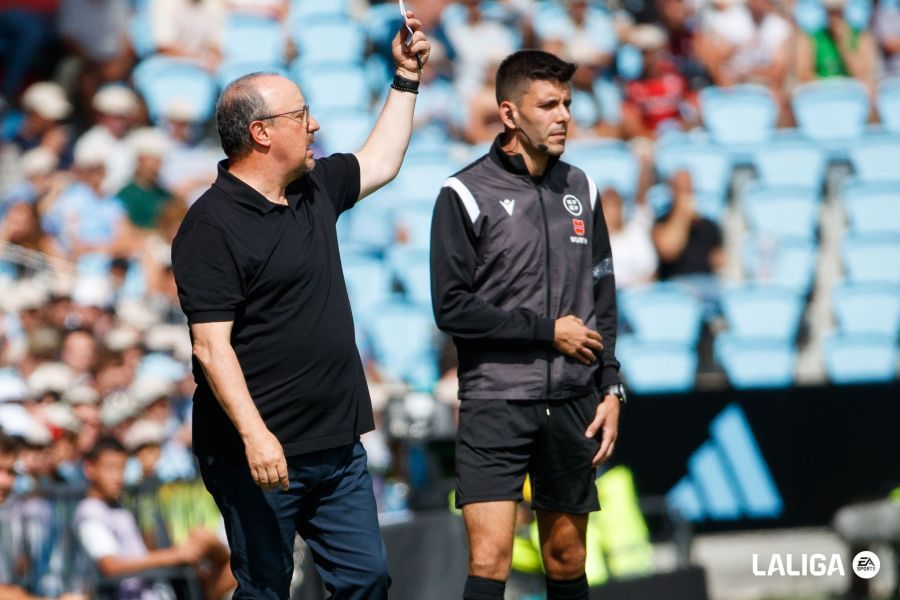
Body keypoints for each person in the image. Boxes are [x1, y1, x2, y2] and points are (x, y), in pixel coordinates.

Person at [170, 12, 431, 599]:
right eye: (300, 115)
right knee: (265, 589)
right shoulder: (210, 225)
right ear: (261, 132)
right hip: (258, 452)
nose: (315, 125)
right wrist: (257, 437)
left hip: (337, 443)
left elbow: (382, 160)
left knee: (367, 578)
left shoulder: (312, 187)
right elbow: (211, 348)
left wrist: (406, 78)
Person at [430, 49, 625, 600]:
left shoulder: (582, 187)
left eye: (567, 103)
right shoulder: (463, 193)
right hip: (495, 403)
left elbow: (602, 293)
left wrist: (610, 384)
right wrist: (547, 331)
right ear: (510, 114)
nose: (563, 115)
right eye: (548, 105)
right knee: (489, 559)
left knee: (567, 558)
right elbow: (452, 308)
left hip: (572, 402)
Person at [73, 437, 235, 600]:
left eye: (122, 469)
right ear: (90, 468)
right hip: (133, 595)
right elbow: (110, 566)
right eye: (110, 468)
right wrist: (174, 556)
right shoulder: (89, 514)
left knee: (214, 549)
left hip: (159, 589)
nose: (118, 476)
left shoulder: (119, 508)